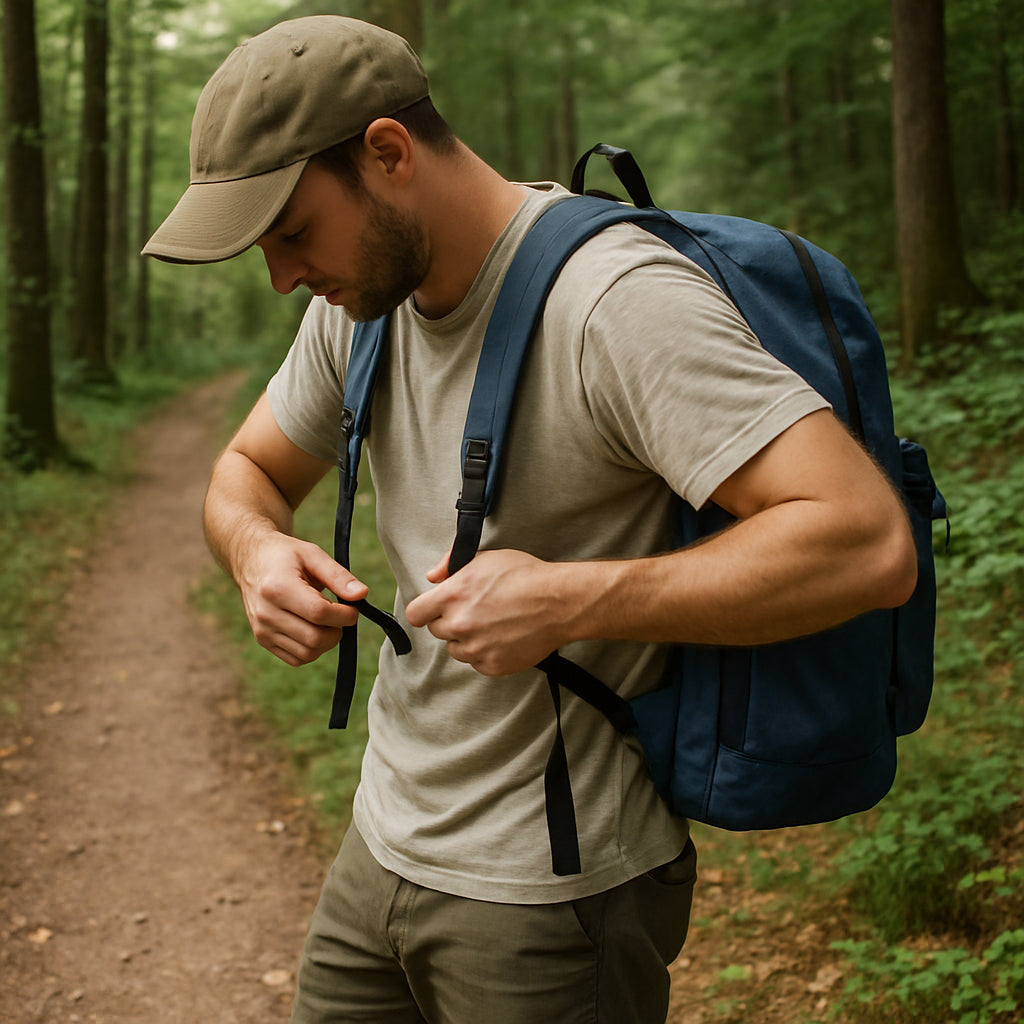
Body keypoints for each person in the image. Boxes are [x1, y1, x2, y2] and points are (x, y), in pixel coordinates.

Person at [144, 16, 918, 1024]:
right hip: (379, 845)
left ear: (388, 153)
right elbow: (244, 470)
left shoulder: (614, 304)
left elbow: (865, 540)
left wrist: (571, 597)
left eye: (292, 232)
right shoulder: (358, 308)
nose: (283, 276)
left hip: (554, 897)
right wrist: (255, 551)